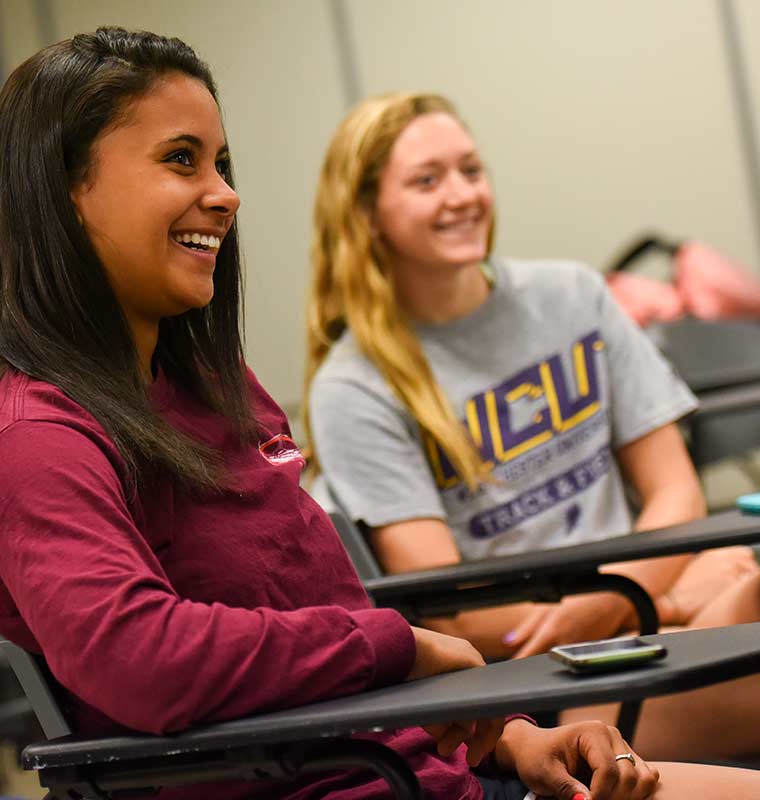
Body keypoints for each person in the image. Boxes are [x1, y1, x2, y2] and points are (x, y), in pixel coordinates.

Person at [2, 28, 760, 800]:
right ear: (65, 189)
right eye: (180, 159)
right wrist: (403, 646)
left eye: (222, 163)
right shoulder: (38, 436)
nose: (225, 193)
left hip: (437, 762)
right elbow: (142, 661)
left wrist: (514, 739)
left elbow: (326, 621)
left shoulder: (210, 386)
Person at [305, 92, 760, 761]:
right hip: (555, 685)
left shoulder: (573, 295)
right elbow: (452, 611)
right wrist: (632, 603)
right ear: (367, 213)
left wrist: (634, 600)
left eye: (471, 169)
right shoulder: (354, 387)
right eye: (427, 180)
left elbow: (676, 494)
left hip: (652, 607)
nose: (462, 195)